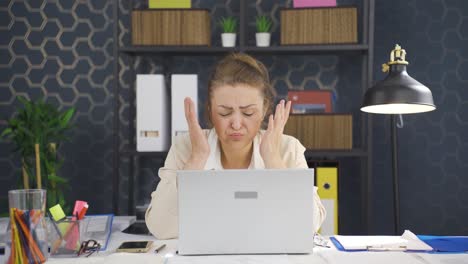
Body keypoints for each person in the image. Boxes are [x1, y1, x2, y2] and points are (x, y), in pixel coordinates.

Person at [145, 53, 326, 239]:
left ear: (264, 109)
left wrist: (274, 161)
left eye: (248, 113)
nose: (237, 124)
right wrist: (196, 160)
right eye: (224, 113)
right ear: (210, 110)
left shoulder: (288, 148)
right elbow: (160, 227)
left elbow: (307, 226)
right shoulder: (186, 147)